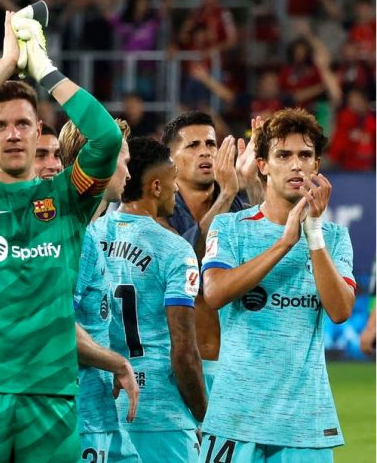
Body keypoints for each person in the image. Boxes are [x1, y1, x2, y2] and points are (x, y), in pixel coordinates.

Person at [0, 11, 136, 462]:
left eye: (23, 123)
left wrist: (43, 68)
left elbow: (102, 137)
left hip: (50, 393)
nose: (13, 134)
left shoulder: (67, 198)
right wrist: (6, 64)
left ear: (39, 130)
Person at [200, 108, 355, 462]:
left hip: (304, 423)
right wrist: (284, 243)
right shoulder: (231, 227)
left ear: (317, 166)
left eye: (305, 156)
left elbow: (341, 310)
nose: (296, 165)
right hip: (236, 418)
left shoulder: (333, 237)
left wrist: (311, 233)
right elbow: (215, 293)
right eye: (283, 155)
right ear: (263, 165)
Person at [97, 137, 206, 462]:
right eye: (174, 182)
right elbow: (184, 352)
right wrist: (204, 414)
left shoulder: (91, 236)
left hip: (103, 407)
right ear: (156, 186)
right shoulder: (174, 249)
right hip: (161, 413)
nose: (178, 191)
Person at [161, 111, 260, 394]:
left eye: (211, 144)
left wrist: (252, 185)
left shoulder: (238, 208)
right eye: (193, 146)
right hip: (174, 370)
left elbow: (268, 253)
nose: (205, 152)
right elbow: (187, 264)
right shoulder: (157, 209)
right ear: (169, 158)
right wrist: (228, 192)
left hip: (233, 367)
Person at [60, 118, 138, 461]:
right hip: (77, 415)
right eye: (123, 158)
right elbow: (58, 323)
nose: (129, 172)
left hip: (96, 411)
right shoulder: (75, 233)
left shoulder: (87, 229)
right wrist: (117, 363)